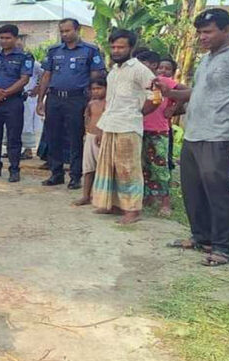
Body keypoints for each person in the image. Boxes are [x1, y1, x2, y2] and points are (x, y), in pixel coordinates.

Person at [160, 8, 229, 266]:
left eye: (207, 32)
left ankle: (222, 248)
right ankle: (201, 237)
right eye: (199, 33)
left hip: (220, 136)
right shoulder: (207, 59)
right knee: (192, 190)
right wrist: (171, 94)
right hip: (194, 134)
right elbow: (198, 93)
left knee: (218, 192)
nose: (202, 37)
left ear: (226, 29)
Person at [91, 29, 156, 225]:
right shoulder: (113, 72)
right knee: (110, 167)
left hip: (129, 126)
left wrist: (138, 113)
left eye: (121, 47)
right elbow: (110, 103)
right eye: (113, 47)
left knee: (128, 169)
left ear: (131, 48)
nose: (116, 50)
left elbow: (156, 97)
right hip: (111, 124)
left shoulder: (140, 70)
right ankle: (114, 204)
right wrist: (101, 128)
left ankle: (132, 210)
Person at [37, 18, 106, 188]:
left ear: (77, 30)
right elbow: (46, 75)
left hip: (77, 99)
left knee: (75, 137)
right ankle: (56, 173)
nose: (64, 34)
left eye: (67, 31)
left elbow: (96, 76)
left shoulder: (90, 50)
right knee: (54, 136)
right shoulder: (53, 50)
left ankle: (75, 176)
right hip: (54, 98)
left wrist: (93, 102)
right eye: (62, 31)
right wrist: (41, 100)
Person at [0, 25, 33, 182]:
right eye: (2, 38)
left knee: (13, 137)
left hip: (13, 102)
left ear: (16, 39)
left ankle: (14, 169)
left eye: (8, 38)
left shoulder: (24, 57)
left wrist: (4, 94)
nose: (4, 41)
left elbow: (24, 79)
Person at [137, 50, 179, 217]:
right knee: (143, 165)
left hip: (158, 130)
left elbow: (187, 92)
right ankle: (148, 197)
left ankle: (165, 203)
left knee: (160, 166)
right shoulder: (141, 80)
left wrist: (174, 108)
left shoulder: (162, 81)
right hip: (140, 128)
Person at [73, 77, 107, 206]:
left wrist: (101, 132)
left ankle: (101, 197)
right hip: (90, 136)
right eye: (93, 89)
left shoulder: (108, 103)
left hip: (102, 137)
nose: (96, 91)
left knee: (102, 168)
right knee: (88, 168)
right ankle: (86, 195)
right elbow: (87, 118)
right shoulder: (91, 103)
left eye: (99, 88)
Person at [22, 57, 44, 159]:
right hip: (14, 96)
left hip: (29, 96)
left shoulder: (34, 64)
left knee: (27, 123)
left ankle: (28, 150)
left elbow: (44, 74)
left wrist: (38, 87)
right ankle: (13, 148)